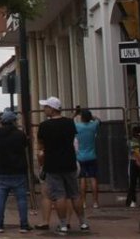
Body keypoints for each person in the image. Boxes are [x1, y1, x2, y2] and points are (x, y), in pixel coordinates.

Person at [37, 97, 88, 234]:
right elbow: (72, 139)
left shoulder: (44, 126)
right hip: (69, 162)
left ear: (52, 109)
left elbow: (41, 145)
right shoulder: (69, 123)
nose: (44, 109)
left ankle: (63, 224)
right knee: (75, 194)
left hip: (52, 164)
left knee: (59, 195)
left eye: (46, 107)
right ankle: (83, 222)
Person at [0, 109, 32, 232]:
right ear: (13, 121)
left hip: (2, 170)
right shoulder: (20, 134)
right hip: (18, 169)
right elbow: (25, 145)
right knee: (21, 199)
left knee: (0, 199)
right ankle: (24, 225)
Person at [74, 109, 101, 210]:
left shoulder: (77, 126)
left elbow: (70, 123)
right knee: (93, 178)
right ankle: (95, 202)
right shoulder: (93, 125)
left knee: (82, 179)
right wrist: (92, 117)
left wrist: (75, 114)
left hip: (80, 156)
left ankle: (84, 202)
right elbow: (99, 120)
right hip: (92, 155)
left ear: (81, 117)